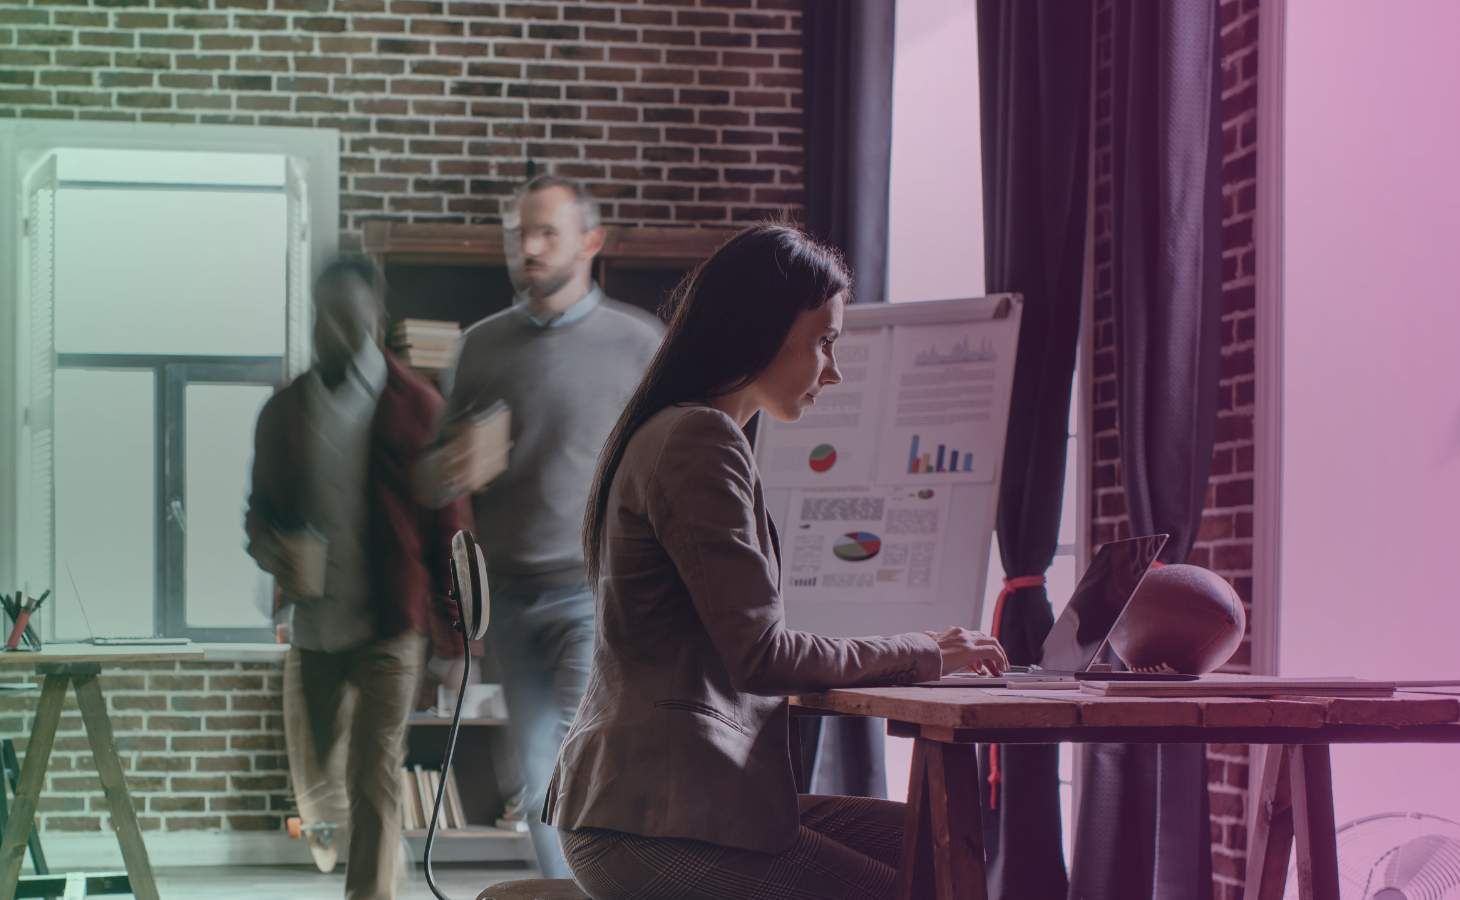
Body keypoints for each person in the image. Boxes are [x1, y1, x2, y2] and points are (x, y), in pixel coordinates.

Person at [544, 225, 1008, 899]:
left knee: (933, 840)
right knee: (910, 882)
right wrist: (920, 649)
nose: (834, 368)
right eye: (824, 340)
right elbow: (763, 656)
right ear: (761, 327)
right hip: (646, 822)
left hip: (676, 797)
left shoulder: (687, 430)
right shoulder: (698, 439)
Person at [419, 174, 664, 878]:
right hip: (508, 599)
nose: (526, 247)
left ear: (591, 242)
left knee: (557, 760)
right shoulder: (479, 348)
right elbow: (431, 480)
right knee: (537, 778)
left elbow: (676, 462)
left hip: (598, 591)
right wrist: (455, 466)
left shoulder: (639, 344)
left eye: (545, 232)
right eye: (517, 233)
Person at [245, 256, 474, 900]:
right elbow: (257, 516)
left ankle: (369, 892)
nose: (333, 331)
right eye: (323, 316)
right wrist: (275, 553)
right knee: (320, 777)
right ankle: (378, 864)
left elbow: (451, 532)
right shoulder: (285, 412)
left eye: (348, 318)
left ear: (374, 320)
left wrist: (457, 643)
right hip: (315, 627)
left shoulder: (419, 408)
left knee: (375, 777)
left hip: (390, 628)